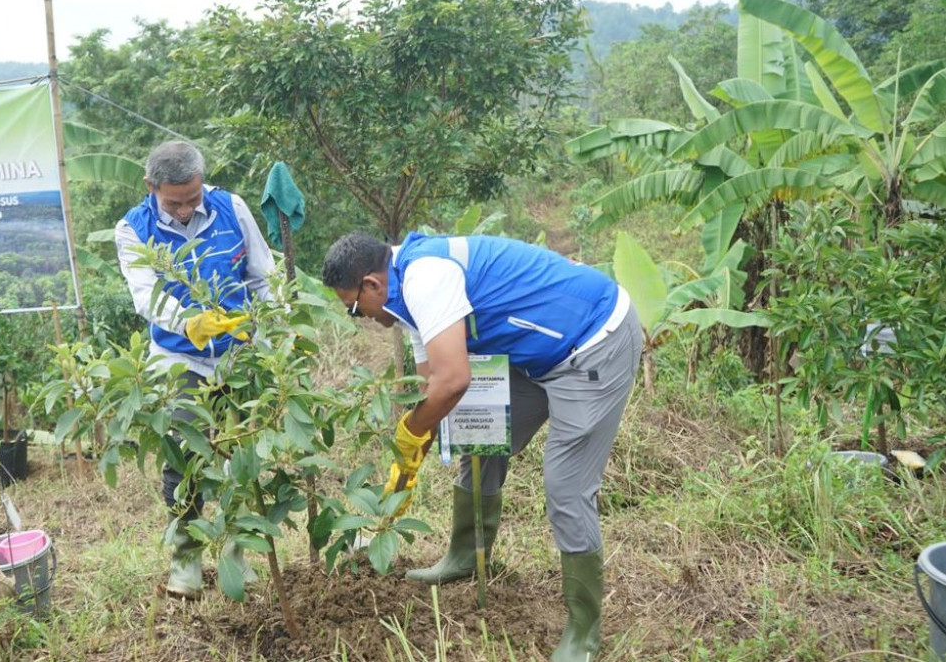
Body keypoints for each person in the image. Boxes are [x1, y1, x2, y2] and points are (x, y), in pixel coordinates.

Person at [321, 231, 643, 662]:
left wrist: (410, 429)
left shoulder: (426, 279)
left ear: (373, 285)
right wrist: (404, 469)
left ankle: (584, 630)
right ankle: (465, 556)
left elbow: (453, 380)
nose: (357, 317)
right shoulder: (408, 298)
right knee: (480, 432)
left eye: (354, 307)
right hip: (539, 357)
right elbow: (430, 391)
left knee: (566, 487)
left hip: (592, 342)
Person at [115, 140, 276, 599]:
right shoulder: (132, 229)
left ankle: (236, 552)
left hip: (239, 354)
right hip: (178, 357)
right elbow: (145, 296)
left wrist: (268, 332)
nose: (186, 210)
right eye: (174, 202)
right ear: (151, 187)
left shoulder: (232, 208)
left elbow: (261, 276)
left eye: (193, 198)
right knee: (182, 457)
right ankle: (186, 556)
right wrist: (189, 322)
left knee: (242, 454)